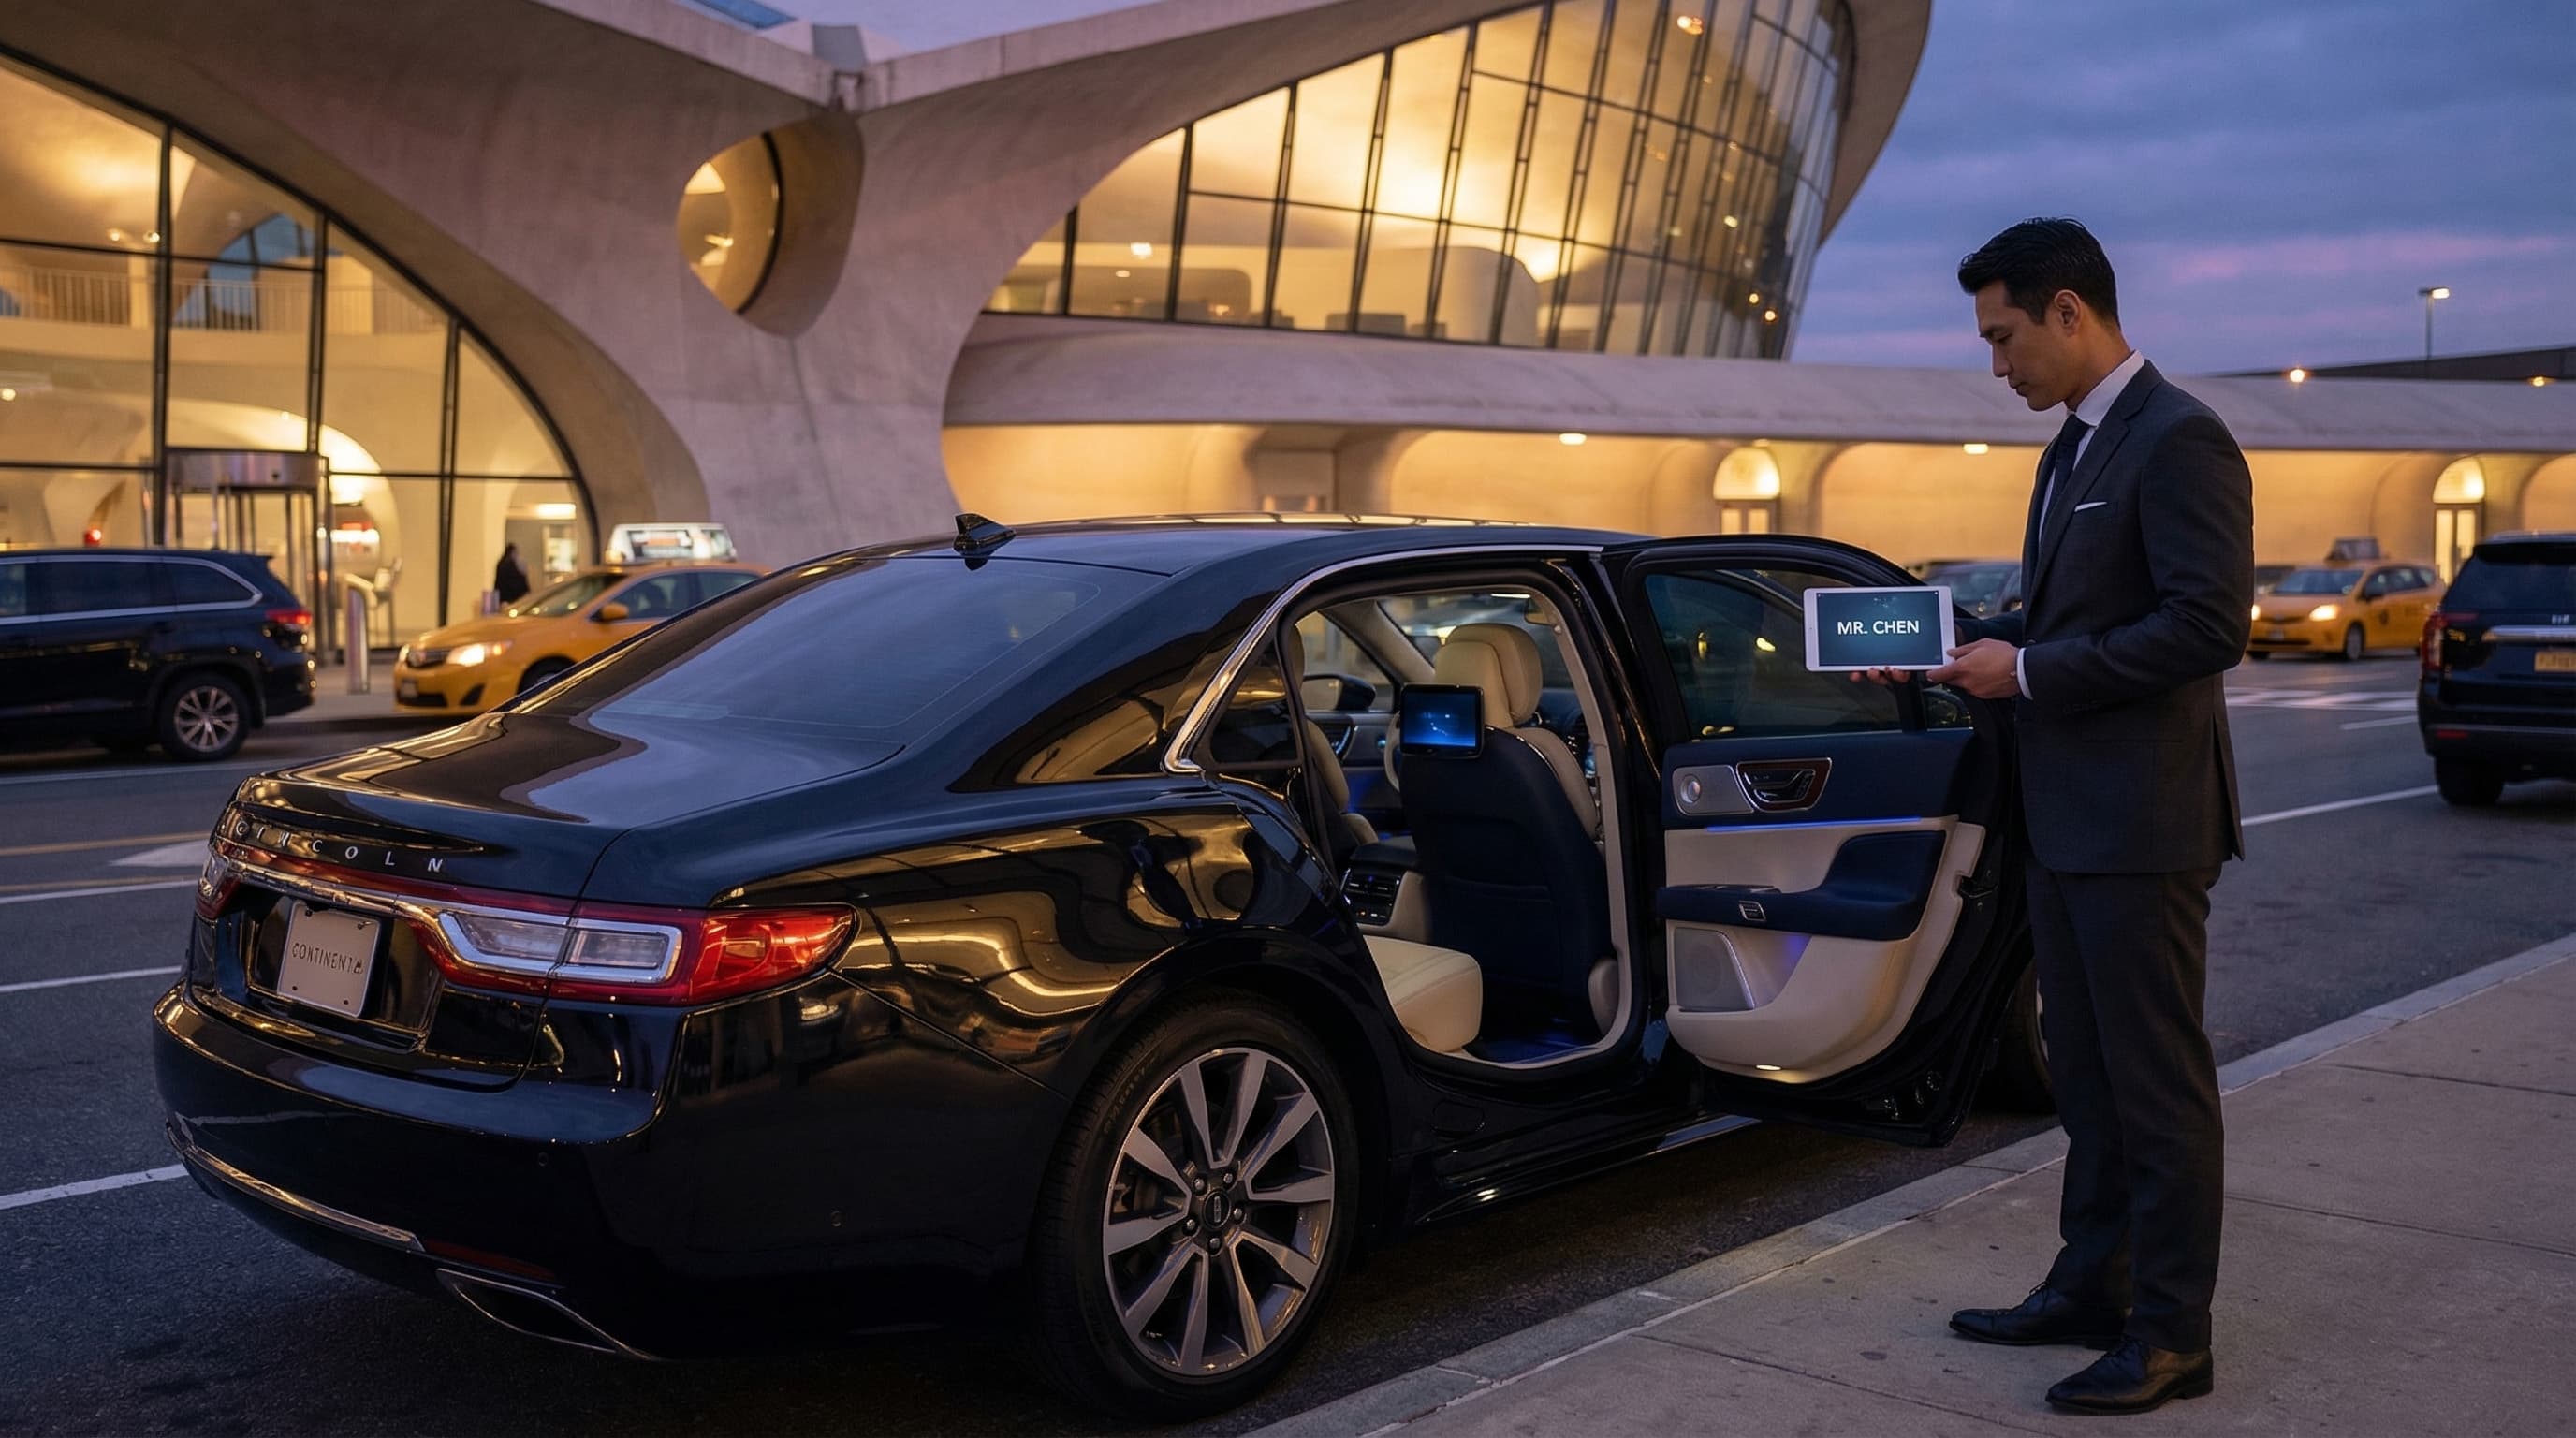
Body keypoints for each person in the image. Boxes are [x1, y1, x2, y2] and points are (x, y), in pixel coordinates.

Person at [1864, 218, 2252, 1416]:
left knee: (2155, 1085)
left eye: (2004, 336)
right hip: (2067, 819)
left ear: (2069, 310)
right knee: (2084, 1077)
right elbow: (2075, 619)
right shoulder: (2070, 451)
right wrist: (1965, 657)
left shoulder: (2179, 439)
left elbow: (2205, 628)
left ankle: (2174, 1334)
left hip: (2141, 826)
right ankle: (2091, 1287)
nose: (1998, 365)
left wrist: (2024, 676)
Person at [492, 542, 531, 606]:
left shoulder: (501, 563)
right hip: (510, 598)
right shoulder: (510, 564)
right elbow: (516, 580)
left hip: (502, 597)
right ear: (512, 553)